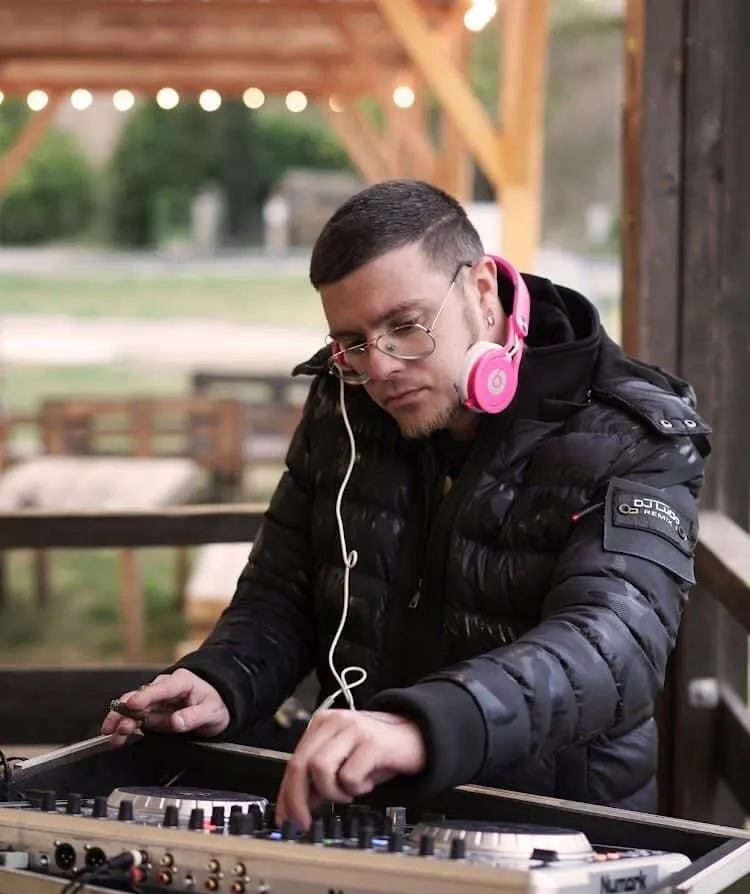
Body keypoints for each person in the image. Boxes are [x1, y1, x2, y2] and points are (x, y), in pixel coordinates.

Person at [101, 180, 710, 830]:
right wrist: (223, 679)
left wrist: (426, 725)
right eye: (352, 341)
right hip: (361, 817)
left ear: (482, 289)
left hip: (555, 834)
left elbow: (612, 645)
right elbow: (283, 593)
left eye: (405, 327)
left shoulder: (638, 434)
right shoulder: (344, 398)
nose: (381, 367)